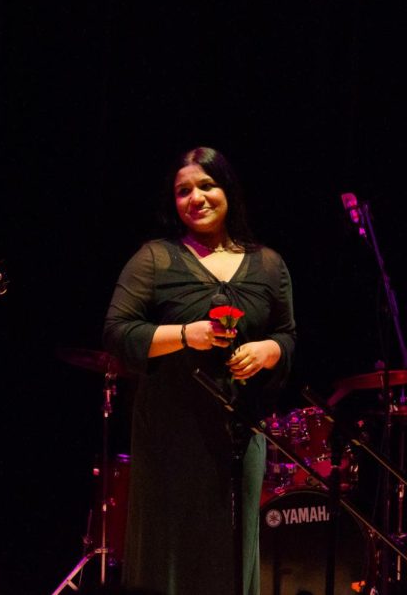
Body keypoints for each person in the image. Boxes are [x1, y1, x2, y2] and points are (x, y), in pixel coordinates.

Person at [103, 146, 296, 595]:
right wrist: (187, 334)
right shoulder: (155, 257)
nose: (196, 197)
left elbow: (288, 335)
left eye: (207, 185)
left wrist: (269, 349)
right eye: (183, 191)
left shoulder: (268, 263)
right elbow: (117, 332)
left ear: (227, 189)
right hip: (170, 431)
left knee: (232, 549)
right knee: (170, 551)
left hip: (239, 431)